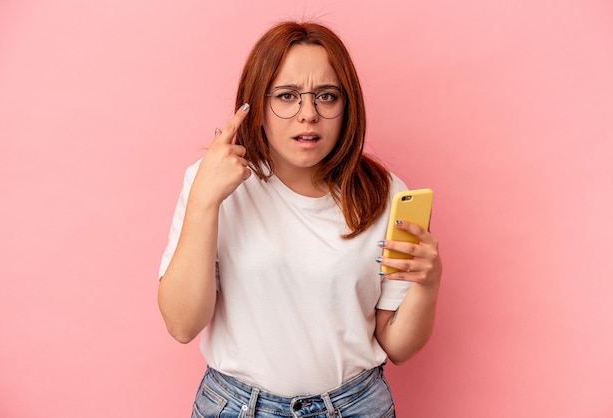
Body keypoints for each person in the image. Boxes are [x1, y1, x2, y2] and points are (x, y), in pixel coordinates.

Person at [157, 20, 442, 418]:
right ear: (255, 107)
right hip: (236, 407)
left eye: (326, 96)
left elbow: (398, 346)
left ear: (347, 107)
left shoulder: (385, 193)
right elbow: (182, 325)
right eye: (287, 96)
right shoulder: (211, 181)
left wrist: (428, 284)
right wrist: (205, 200)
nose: (308, 114)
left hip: (356, 406)